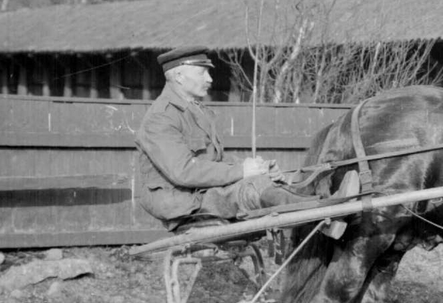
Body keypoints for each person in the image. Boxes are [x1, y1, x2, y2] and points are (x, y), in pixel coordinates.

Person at [134, 45, 354, 234]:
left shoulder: (196, 111)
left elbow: (214, 161)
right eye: (202, 73)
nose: (210, 79)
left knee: (269, 181)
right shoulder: (160, 118)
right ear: (179, 76)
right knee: (254, 188)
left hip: (201, 194)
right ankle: (328, 213)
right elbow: (183, 171)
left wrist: (256, 167)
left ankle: (325, 212)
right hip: (183, 204)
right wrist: (243, 172)